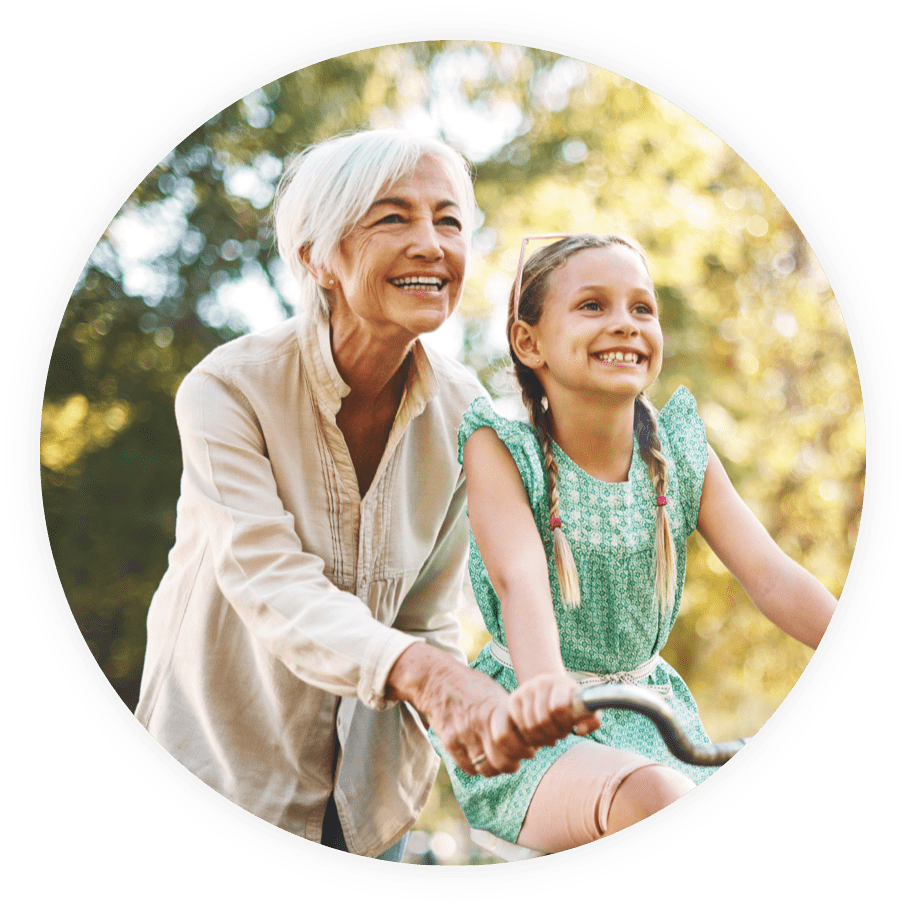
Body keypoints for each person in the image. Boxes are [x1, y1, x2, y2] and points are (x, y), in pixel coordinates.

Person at [134, 130, 568, 861]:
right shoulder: (228, 388)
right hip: (218, 777)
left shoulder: (469, 416)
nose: (431, 243)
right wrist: (428, 677)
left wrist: (474, 714)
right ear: (316, 257)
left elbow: (428, 613)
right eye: (393, 218)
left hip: (370, 813)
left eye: (449, 220)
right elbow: (270, 582)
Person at [432, 233, 837, 858]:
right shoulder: (503, 448)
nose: (624, 324)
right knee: (656, 799)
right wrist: (545, 689)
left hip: (652, 719)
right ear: (528, 341)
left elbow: (771, 576)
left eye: (641, 309)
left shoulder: (676, 452)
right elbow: (520, 579)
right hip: (535, 727)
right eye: (593, 306)